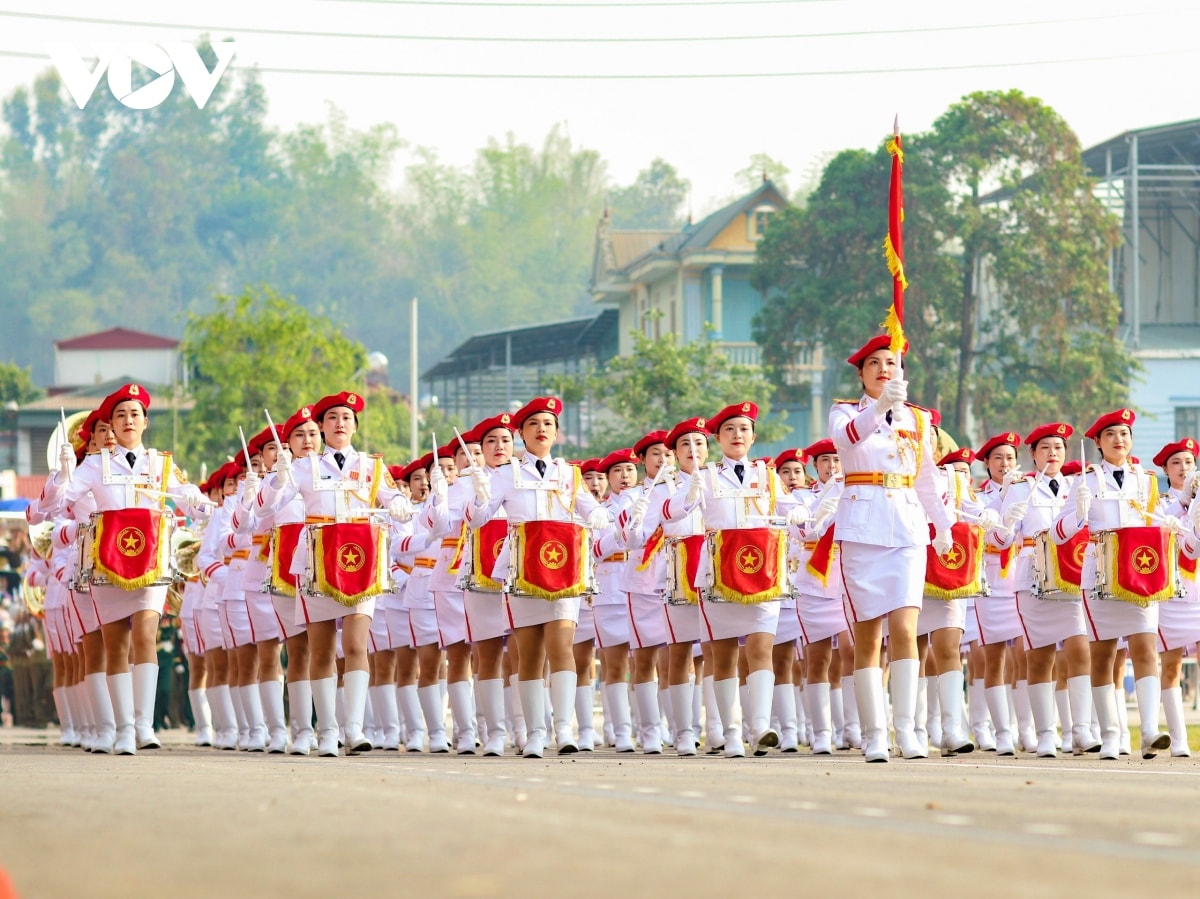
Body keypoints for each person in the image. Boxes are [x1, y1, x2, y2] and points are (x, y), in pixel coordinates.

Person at [257, 390, 414, 757]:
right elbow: (267, 509)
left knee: (357, 645)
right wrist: (276, 478)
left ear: (355, 426)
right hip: (318, 562)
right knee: (322, 649)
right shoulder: (304, 467)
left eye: (346, 418)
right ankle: (326, 731)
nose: (339, 424)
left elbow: (393, 499)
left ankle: (354, 728)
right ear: (322, 428)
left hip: (361, 561)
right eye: (332, 419)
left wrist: (403, 505)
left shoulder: (373, 467)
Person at [64, 383, 212, 755]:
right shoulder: (95, 465)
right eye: (120, 415)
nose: (128, 420)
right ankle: (124, 728)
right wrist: (63, 474)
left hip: (149, 562)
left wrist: (196, 498)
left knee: (146, 635)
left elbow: (195, 506)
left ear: (146, 422)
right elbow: (57, 502)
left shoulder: (161, 464)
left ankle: (144, 724)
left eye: (135, 414)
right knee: (116, 645)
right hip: (109, 563)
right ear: (111, 425)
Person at [828, 336, 955, 763]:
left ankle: (906, 729)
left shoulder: (917, 418)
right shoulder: (845, 410)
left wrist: (943, 524)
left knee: (904, 630)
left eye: (892, 363)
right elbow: (846, 441)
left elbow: (926, 477)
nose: (884, 369)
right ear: (861, 373)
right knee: (867, 638)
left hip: (905, 527)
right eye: (875, 364)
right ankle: (874, 733)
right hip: (862, 527)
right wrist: (880, 409)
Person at [465, 396, 610, 758]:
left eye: (547, 424)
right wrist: (479, 496)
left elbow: (590, 508)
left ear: (556, 434)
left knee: (562, 649)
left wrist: (600, 517)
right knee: (528, 655)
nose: (541, 430)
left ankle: (564, 730)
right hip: (523, 570)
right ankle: (535, 733)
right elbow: (478, 519)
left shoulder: (569, 474)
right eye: (533, 424)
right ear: (521, 434)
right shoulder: (505, 473)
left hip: (563, 569)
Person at [656, 402, 802, 757]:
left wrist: (802, 512)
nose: (738, 436)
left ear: (753, 436)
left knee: (760, 649)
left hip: (762, 572)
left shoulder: (768, 476)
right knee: (721, 657)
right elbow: (668, 513)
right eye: (729, 430)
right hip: (719, 573)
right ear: (718, 438)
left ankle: (761, 725)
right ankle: (733, 733)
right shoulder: (704, 476)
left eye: (744, 429)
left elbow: (793, 512)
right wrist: (687, 497)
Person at [1052, 408, 1174, 759]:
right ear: (1098, 443)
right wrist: (1078, 513)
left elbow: (1157, 522)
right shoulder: (1085, 481)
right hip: (1101, 573)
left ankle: (1149, 731)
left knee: (1145, 648)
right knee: (1103, 654)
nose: (1119, 440)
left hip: (1141, 573)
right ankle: (1109, 734)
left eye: (1124, 434)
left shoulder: (1147, 480)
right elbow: (1059, 535)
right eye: (1111, 435)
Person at [993, 423, 1098, 757]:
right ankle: (1045, 735)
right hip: (1033, 576)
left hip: (1073, 575)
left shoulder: (1077, 486)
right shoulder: (1020, 489)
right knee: (1040, 657)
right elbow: (997, 541)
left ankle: (1080, 730)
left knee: (1080, 648)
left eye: (1058, 447)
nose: (1053, 454)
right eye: (1046, 448)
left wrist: (1084, 512)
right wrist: (1006, 520)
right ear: (1033, 454)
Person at [976, 431, 1030, 755]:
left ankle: (1027, 730)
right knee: (993, 659)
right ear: (986, 463)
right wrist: (1002, 499)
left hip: (1020, 581)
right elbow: (987, 537)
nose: (1005, 463)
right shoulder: (979, 498)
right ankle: (1002, 733)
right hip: (992, 584)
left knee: (1025, 657)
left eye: (1010, 457)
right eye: (998, 458)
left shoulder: (1026, 492)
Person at [1153, 437, 1200, 756]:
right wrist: (1180, 510)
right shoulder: (1159, 504)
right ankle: (1178, 738)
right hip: (1171, 590)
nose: (1184, 469)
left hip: (1198, 589)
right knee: (1170, 666)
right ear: (1167, 471)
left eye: (1188, 462)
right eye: (1176, 463)